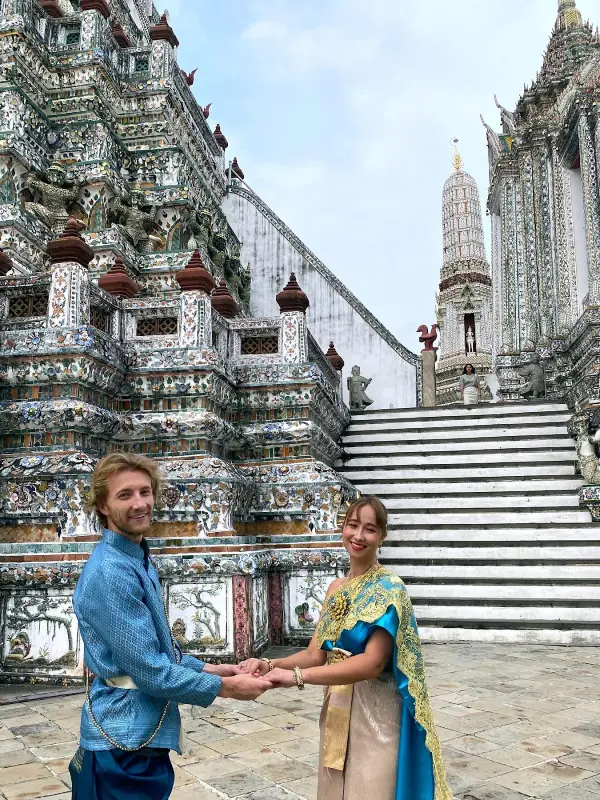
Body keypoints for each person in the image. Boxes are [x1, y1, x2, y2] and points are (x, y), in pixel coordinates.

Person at [70, 452, 270, 799]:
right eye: (125, 495)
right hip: (122, 743)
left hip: (140, 734)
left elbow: (159, 648)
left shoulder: (135, 557)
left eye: (145, 492)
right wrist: (227, 688)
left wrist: (213, 668)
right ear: (102, 505)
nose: (139, 503)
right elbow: (150, 670)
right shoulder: (111, 572)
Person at [239, 496, 452, 800]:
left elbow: (373, 663)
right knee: (334, 789)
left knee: (370, 788)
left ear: (382, 537)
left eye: (370, 529)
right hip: (337, 706)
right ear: (343, 528)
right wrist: (271, 666)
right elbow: (316, 654)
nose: (359, 536)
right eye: (353, 525)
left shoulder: (389, 588)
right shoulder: (335, 589)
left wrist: (298, 678)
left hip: (376, 712)